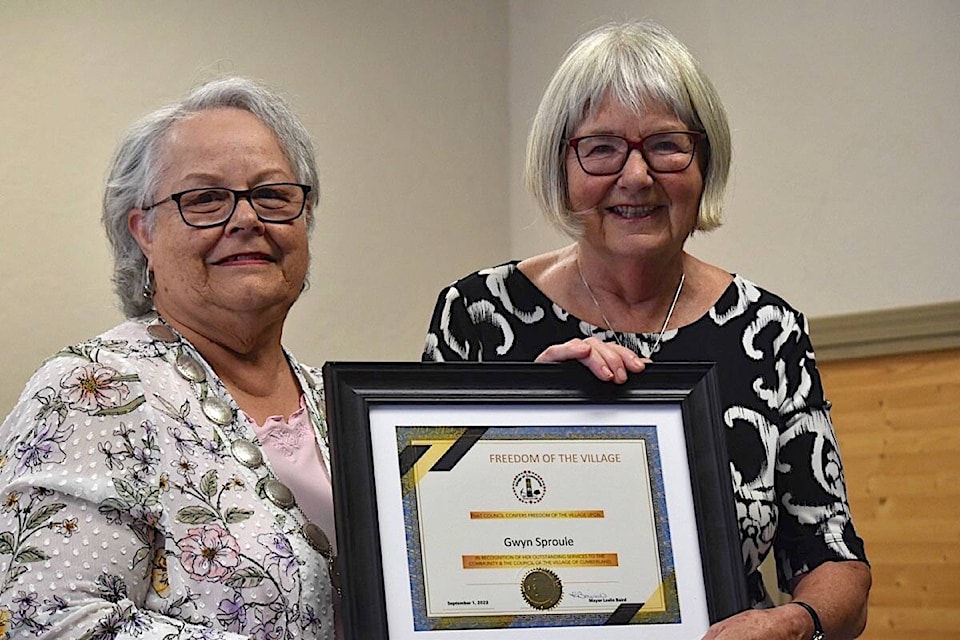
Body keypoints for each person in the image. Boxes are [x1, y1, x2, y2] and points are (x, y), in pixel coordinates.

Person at [422, 21, 870, 640]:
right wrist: (522, 416)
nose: (636, 175)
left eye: (666, 145)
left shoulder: (769, 330)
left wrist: (799, 622)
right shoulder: (476, 317)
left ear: (704, 163)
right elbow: (421, 541)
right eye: (601, 148)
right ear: (562, 168)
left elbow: (829, 550)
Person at [0, 78, 339, 639]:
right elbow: (47, 621)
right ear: (144, 233)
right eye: (205, 199)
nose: (246, 219)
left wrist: (530, 427)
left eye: (273, 195)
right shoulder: (93, 393)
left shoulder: (339, 405)